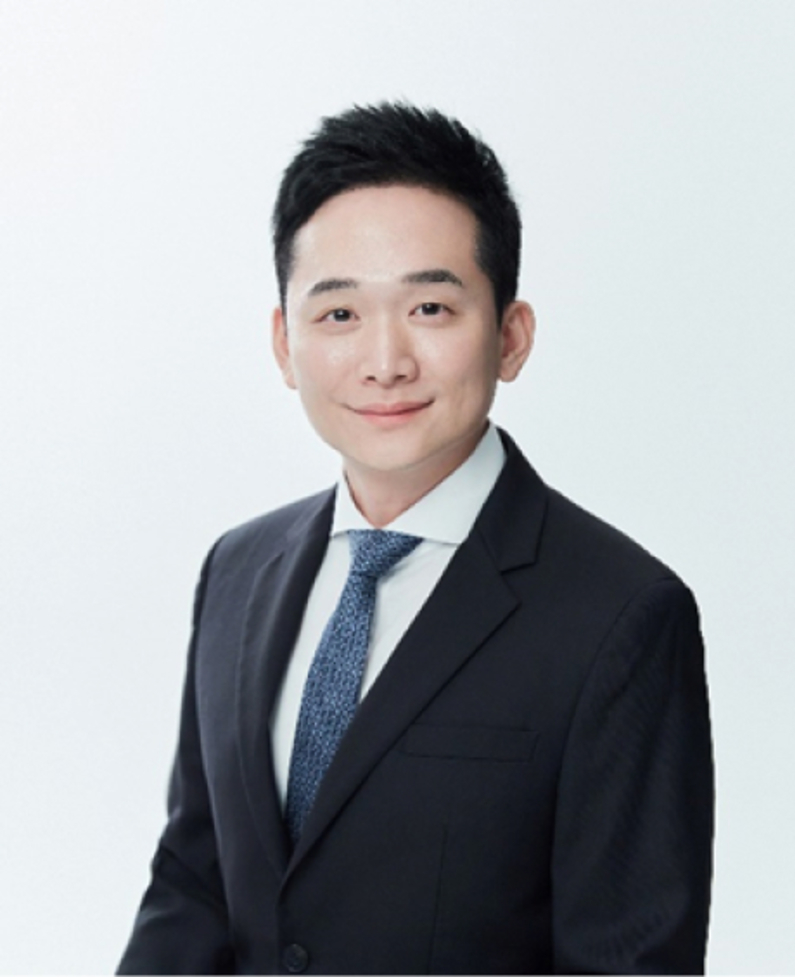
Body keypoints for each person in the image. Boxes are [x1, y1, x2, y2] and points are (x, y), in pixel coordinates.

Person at [118, 102, 714, 975]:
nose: (385, 361)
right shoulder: (238, 570)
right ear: (284, 343)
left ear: (510, 336)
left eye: (431, 307)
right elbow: (193, 883)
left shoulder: (621, 615)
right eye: (339, 315)